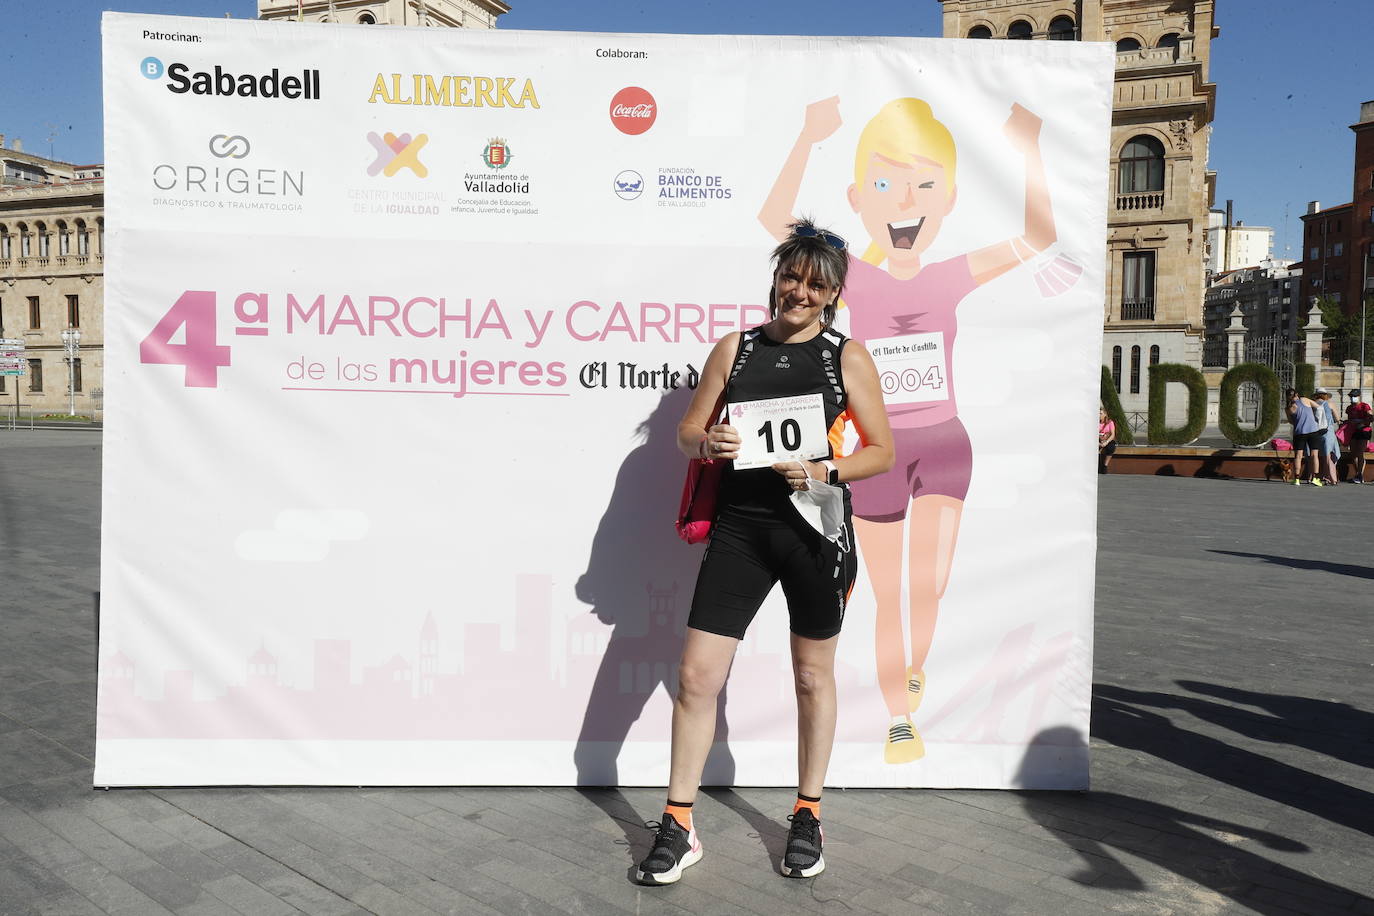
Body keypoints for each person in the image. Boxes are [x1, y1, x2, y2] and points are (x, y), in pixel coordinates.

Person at [759, 95, 1067, 764]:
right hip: (879, 452)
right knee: (889, 590)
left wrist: (1029, 147)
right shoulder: (854, 276)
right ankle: (902, 715)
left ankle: (912, 668)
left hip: (946, 447)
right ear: (859, 198)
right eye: (884, 185)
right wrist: (809, 136)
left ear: (948, 200)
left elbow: (1038, 237)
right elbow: (774, 221)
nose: (904, 201)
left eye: (924, 185)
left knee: (929, 585)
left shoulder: (952, 275)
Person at [636, 219, 894, 885]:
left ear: (833, 293)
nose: (798, 292)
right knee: (696, 677)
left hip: (814, 532)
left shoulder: (847, 357)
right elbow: (689, 432)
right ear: (775, 277)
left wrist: (823, 469)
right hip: (740, 529)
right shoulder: (738, 348)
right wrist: (707, 442)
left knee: (812, 677)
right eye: (790, 277)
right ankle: (679, 823)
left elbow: (881, 452)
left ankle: (807, 813)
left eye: (814, 284)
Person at [1285, 389, 1326, 486]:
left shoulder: (1288, 408)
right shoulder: (1305, 400)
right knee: (1314, 455)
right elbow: (1318, 407)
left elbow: (1291, 421)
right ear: (1297, 394)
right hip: (1313, 430)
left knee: (1298, 456)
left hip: (1299, 432)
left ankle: (1297, 479)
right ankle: (1315, 478)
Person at [1314, 389, 1341, 484]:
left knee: (1321, 454)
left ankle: (1323, 475)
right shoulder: (1330, 404)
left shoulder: (1313, 403)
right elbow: (1338, 418)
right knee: (1329, 454)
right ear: (1325, 395)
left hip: (1317, 431)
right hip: (1328, 431)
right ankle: (1332, 478)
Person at [1346, 389, 1372, 484]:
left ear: (1359, 396)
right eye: (1351, 396)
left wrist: (1362, 422)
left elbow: (1370, 418)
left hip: (1364, 431)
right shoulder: (1349, 408)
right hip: (1353, 431)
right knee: (1353, 454)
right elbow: (1349, 419)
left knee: (1360, 453)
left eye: (1354, 396)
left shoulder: (1365, 406)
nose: (1352, 398)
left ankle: (1360, 474)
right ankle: (1358, 474)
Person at [1098, 407, 1117, 474]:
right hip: (1098, 440)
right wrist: (1098, 443)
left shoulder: (1110, 422)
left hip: (1108, 440)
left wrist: (1106, 442)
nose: (1099, 415)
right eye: (1098, 413)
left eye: (1101, 413)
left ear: (1105, 414)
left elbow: (1112, 434)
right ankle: (1097, 466)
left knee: (1111, 447)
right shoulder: (1095, 422)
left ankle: (1105, 465)